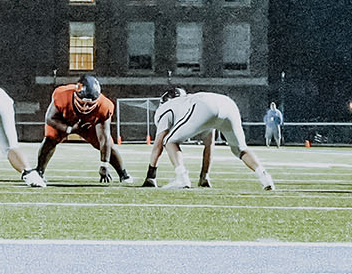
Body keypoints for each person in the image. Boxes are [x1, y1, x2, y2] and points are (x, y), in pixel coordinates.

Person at [144, 87, 273, 190]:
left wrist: (151, 176)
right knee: (240, 149)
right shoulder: (186, 102)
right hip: (227, 103)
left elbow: (158, 145)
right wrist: (204, 176)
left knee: (169, 141)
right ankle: (264, 177)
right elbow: (209, 145)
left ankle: (181, 177)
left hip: (203, 106)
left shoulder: (166, 107)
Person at [36, 75, 127, 182]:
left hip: (88, 125)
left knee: (108, 145)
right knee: (50, 138)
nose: (85, 107)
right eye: (82, 102)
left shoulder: (104, 106)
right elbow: (50, 118)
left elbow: (105, 138)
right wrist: (69, 129)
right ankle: (39, 171)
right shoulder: (62, 94)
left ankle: (123, 174)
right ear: (75, 94)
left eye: (89, 104)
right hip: (65, 121)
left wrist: (104, 164)